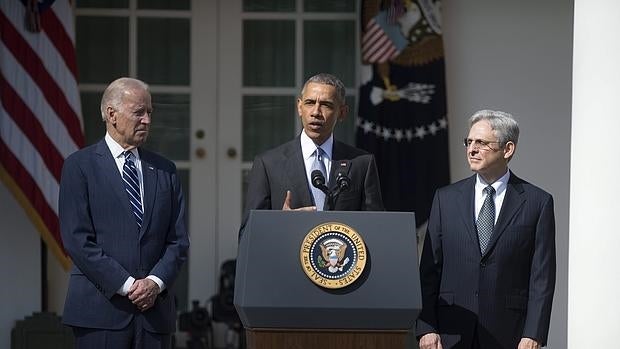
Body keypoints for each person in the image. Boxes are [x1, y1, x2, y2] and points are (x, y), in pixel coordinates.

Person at [59, 77, 190, 349]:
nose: (147, 120)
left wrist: (154, 283)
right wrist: (128, 285)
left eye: (150, 113)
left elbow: (178, 241)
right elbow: (77, 240)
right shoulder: (79, 167)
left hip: (154, 317)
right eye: (138, 112)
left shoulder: (165, 170)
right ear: (111, 114)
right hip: (100, 314)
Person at [416, 110, 556, 349]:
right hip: (451, 332)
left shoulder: (538, 202)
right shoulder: (445, 198)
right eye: (468, 142)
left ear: (507, 149)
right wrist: (426, 328)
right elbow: (429, 270)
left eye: (481, 142)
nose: (471, 149)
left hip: (510, 333)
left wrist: (534, 334)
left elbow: (541, 277)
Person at [240, 73, 384, 236]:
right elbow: (248, 233)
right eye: (309, 103)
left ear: (342, 112)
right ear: (299, 107)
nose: (316, 112)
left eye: (326, 105)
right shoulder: (268, 164)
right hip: (287, 259)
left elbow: (376, 229)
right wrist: (278, 223)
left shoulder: (361, 164)